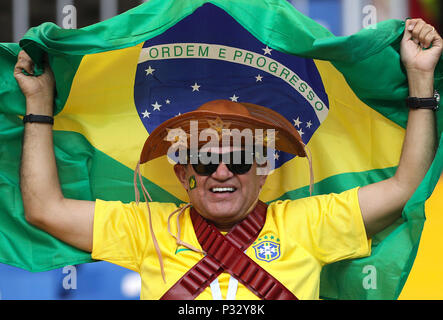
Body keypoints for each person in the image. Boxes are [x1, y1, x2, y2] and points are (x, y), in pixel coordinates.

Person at [14, 18, 442, 300]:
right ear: (183, 173)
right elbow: (44, 209)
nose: (221, 172)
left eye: (238, 159)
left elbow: (408, 187)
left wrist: (421, 79)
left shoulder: (309, 223)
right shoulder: (145, 230)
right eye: (203, 161)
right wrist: (39, 105)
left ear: (262, 170)